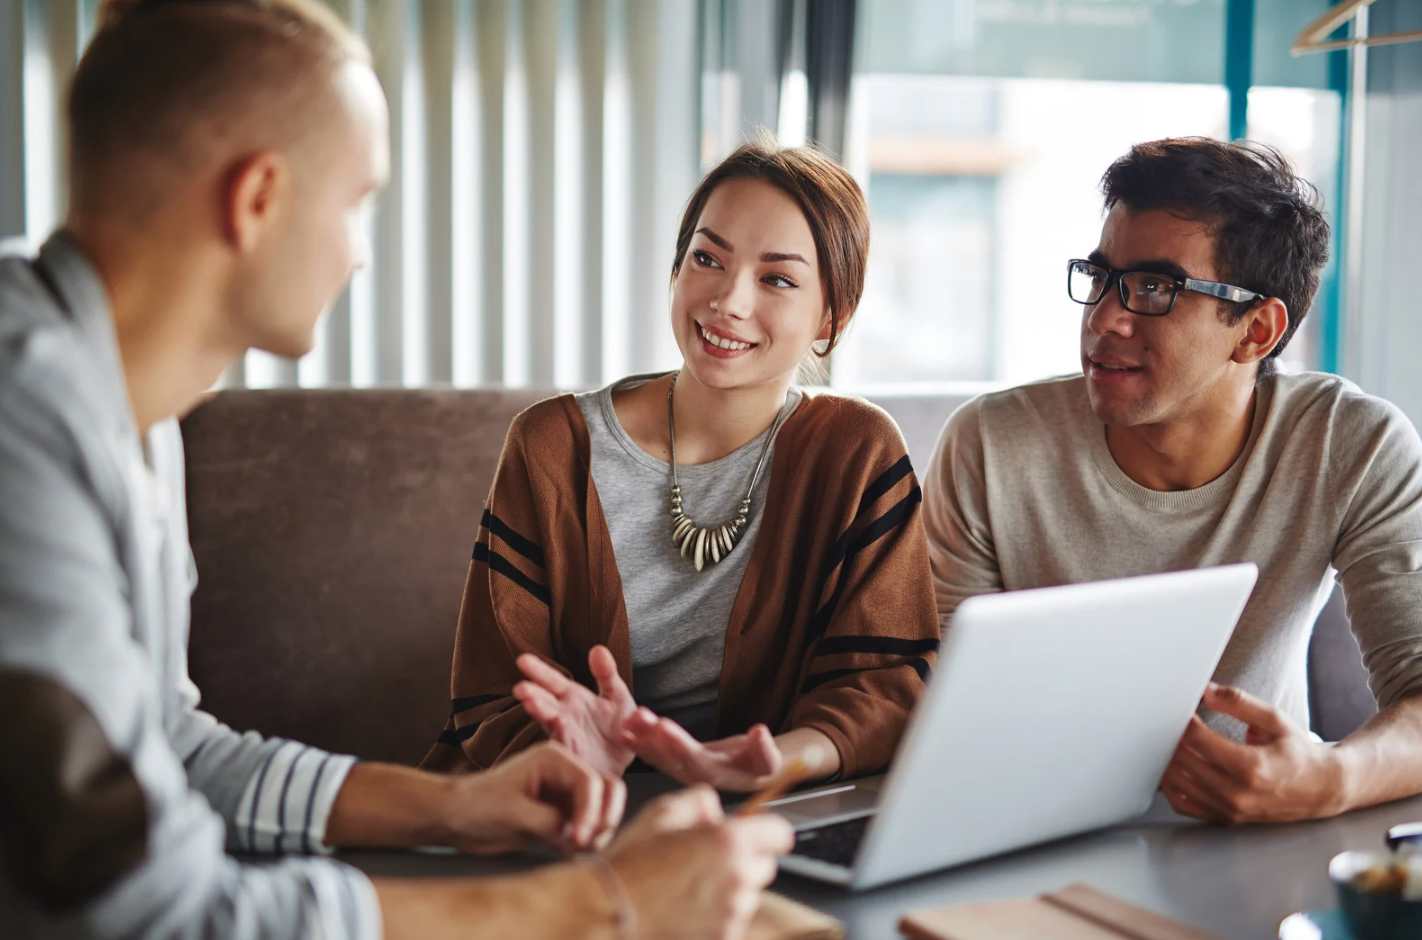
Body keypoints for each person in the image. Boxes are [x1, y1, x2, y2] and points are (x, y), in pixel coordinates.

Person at [0, 2, 790, 938]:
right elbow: (151, 914)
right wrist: (597, 901)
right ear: (256, 199)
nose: (361, 254)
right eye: (356, 201)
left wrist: (452, 806)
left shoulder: (123, 400)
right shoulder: (25, 421)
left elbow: (164, 751)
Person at [922, 136, 1422, 825]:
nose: (1103, 318)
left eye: (1156, 289)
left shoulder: (1351, 443)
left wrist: (1329, 779)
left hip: (1257, 841)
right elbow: (943, 704)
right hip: (1024, 832)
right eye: (1099, 278)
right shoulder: (990, 444)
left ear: (1256, 331)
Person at [422, 140, 940, 792]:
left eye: (777, 279)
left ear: (831, 316)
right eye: (707, 258)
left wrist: (772, 762)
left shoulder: (856, 451)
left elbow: (887, 688)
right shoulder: (553, 445)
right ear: (675, 269)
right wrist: (584, 762)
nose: (729, 300)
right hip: (555, 810)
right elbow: (494, 690)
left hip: (762, 816)